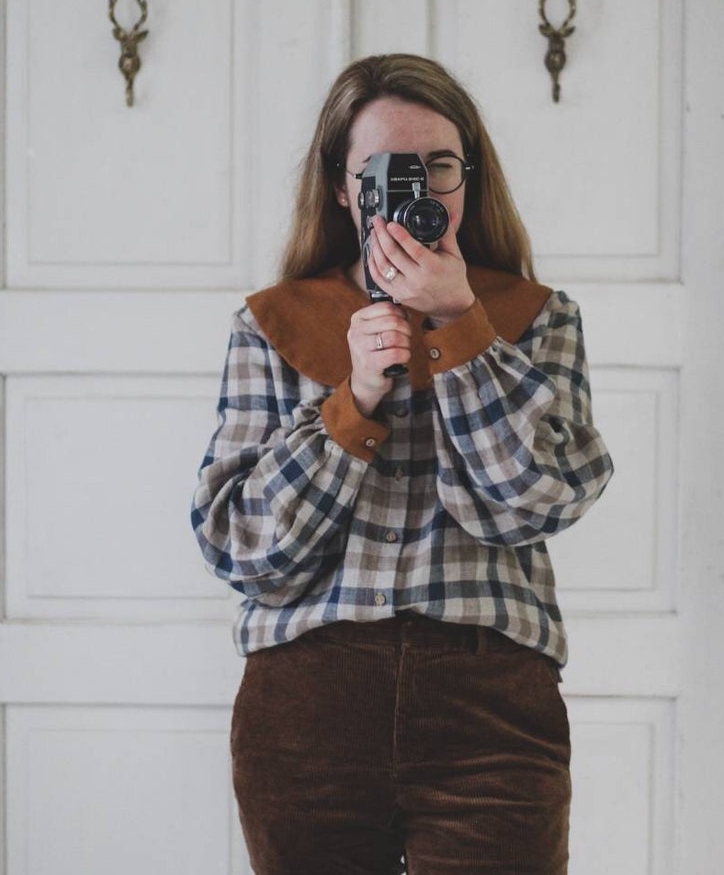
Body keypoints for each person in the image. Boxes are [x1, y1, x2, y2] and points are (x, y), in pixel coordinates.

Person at [191, 53, 614, 875]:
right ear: (346, 187)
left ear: (470, 176)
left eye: (440, 164)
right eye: (385, 169)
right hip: (306, 708)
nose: (416, 187)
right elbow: (242, 548)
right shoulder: (273, 324)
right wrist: (350, 402)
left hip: (491, 706)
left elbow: (533, 503)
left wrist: (462, 328)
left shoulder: (535, 318)